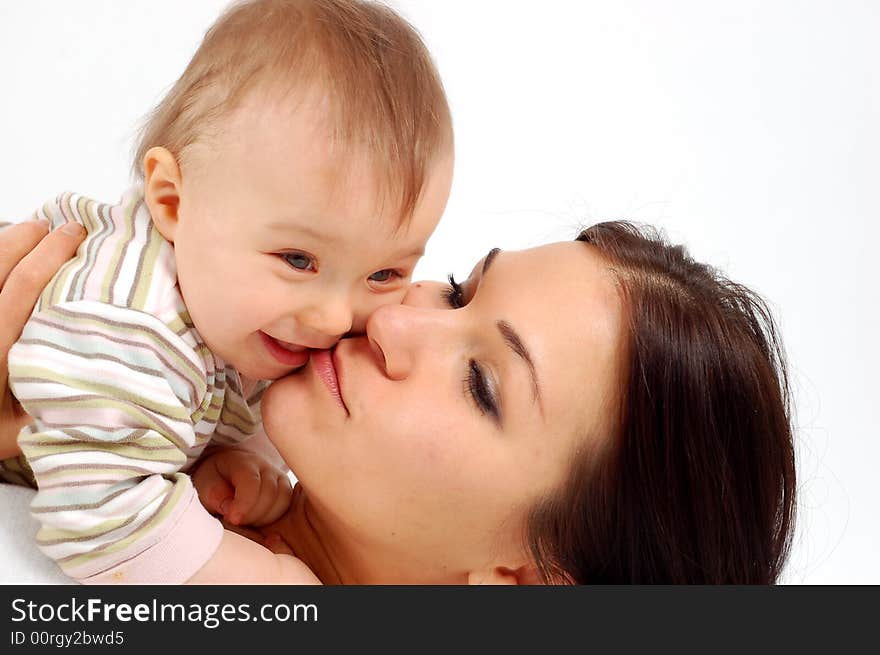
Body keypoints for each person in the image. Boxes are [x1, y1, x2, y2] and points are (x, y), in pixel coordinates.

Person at [0, 218, 797, 583]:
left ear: (525, 583)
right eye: (456, 291)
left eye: (481, 384)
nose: (391, 316)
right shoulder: (184, 377)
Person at [0, 0, 453, 584]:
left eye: (384, 275)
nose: (336, 317)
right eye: (297, 259)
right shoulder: (135, 327)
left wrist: (216, 458)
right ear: (173, 202)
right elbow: (99, 514)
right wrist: (264, 586)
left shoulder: (243, 302)